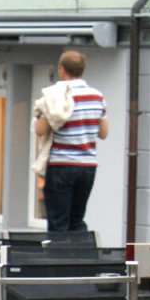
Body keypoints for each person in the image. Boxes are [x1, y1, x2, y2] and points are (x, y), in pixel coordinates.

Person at [36, 50, 107, 233]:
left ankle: (58, 260)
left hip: (61, 165)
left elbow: (40, 130)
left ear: (61, 69)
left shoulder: (55, 96)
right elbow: (104, 133)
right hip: (88, 167)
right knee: (77, 220)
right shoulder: (97, 96)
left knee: (59, 222)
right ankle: (80, 259)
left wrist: (40, 116)